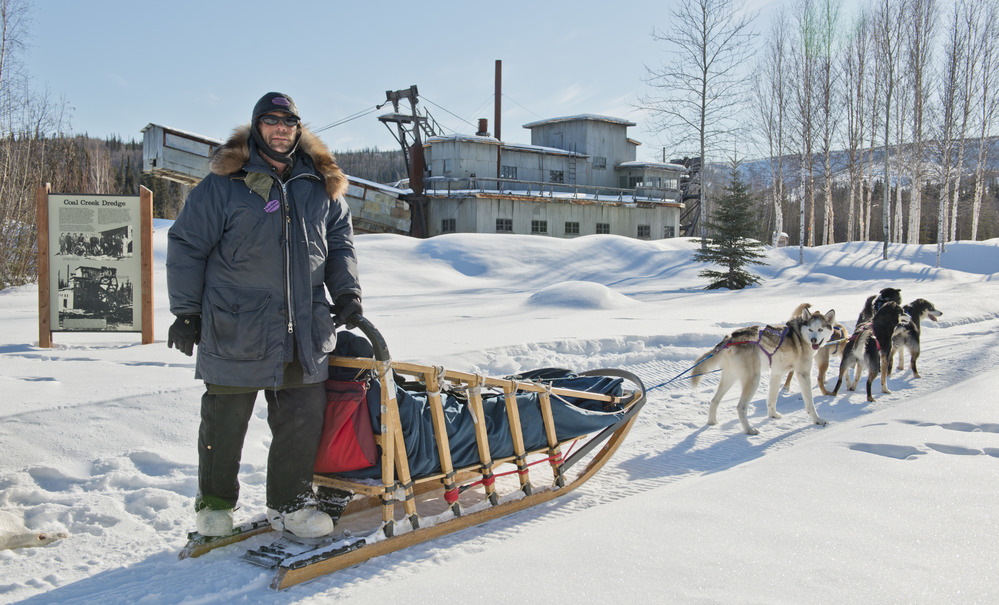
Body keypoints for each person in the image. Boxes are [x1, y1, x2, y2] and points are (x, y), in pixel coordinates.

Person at [166, 92, 363, 539]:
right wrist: (186, 311)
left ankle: (290, 504)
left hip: (303, 326)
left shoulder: (321, 185)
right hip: (236, 323)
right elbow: (186, 245)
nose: (280, 129)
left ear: (298, 128)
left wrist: (347, 292)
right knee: (225, 417)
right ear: (257, 127)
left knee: (301, 417)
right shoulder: (224, 184)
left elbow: (340, 246)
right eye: (270, 121)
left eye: (288, 122)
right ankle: (214, 506)